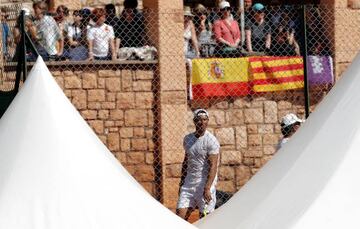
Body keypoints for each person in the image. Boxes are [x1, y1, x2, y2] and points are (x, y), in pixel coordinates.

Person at [177, 109, 220, 220]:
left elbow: (213, 166)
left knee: (205, 221)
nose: (202, 122)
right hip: (189, 184)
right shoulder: (187, 139)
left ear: (208, 121)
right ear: (194, 121)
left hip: (205, 185)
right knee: (179, 218)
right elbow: (186, 162)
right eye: (199, 120)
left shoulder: (211, 141)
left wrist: (207, 188)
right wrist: (182, 183)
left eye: (205, 119)